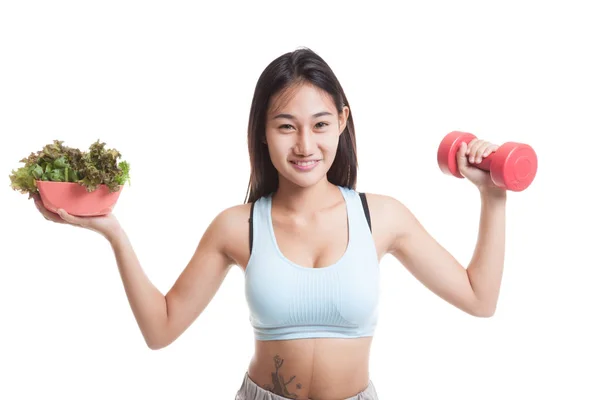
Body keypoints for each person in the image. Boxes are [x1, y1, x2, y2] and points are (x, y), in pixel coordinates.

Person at [33, 47, 507, 400]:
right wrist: (114, 232)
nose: (304, 145)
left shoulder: (381, 216)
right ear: (262, 130)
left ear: (342, 122)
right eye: (286, 126)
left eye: (320, 124)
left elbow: (479, 299)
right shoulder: (236, 227)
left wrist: (492, 195)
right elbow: (161, 331)